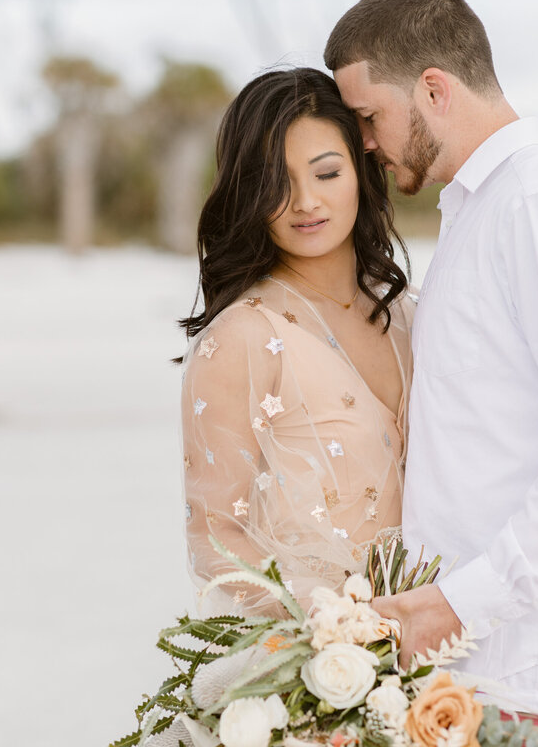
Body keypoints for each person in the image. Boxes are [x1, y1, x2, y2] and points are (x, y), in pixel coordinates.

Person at [325, 0, 538, 747]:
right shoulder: (483, 211)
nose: (366, 143)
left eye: (370, 116)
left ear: (434, 90)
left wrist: (464, 601)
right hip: (481, 670)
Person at [177, 67, 415, 618]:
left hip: (443, 654)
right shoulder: (245, 338)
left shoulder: (412, 315)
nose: (305, 201)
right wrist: (340, 631)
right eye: (278, 183)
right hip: (316, 669)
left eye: (327, 172)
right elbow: (215, 539)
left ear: (360, 171)